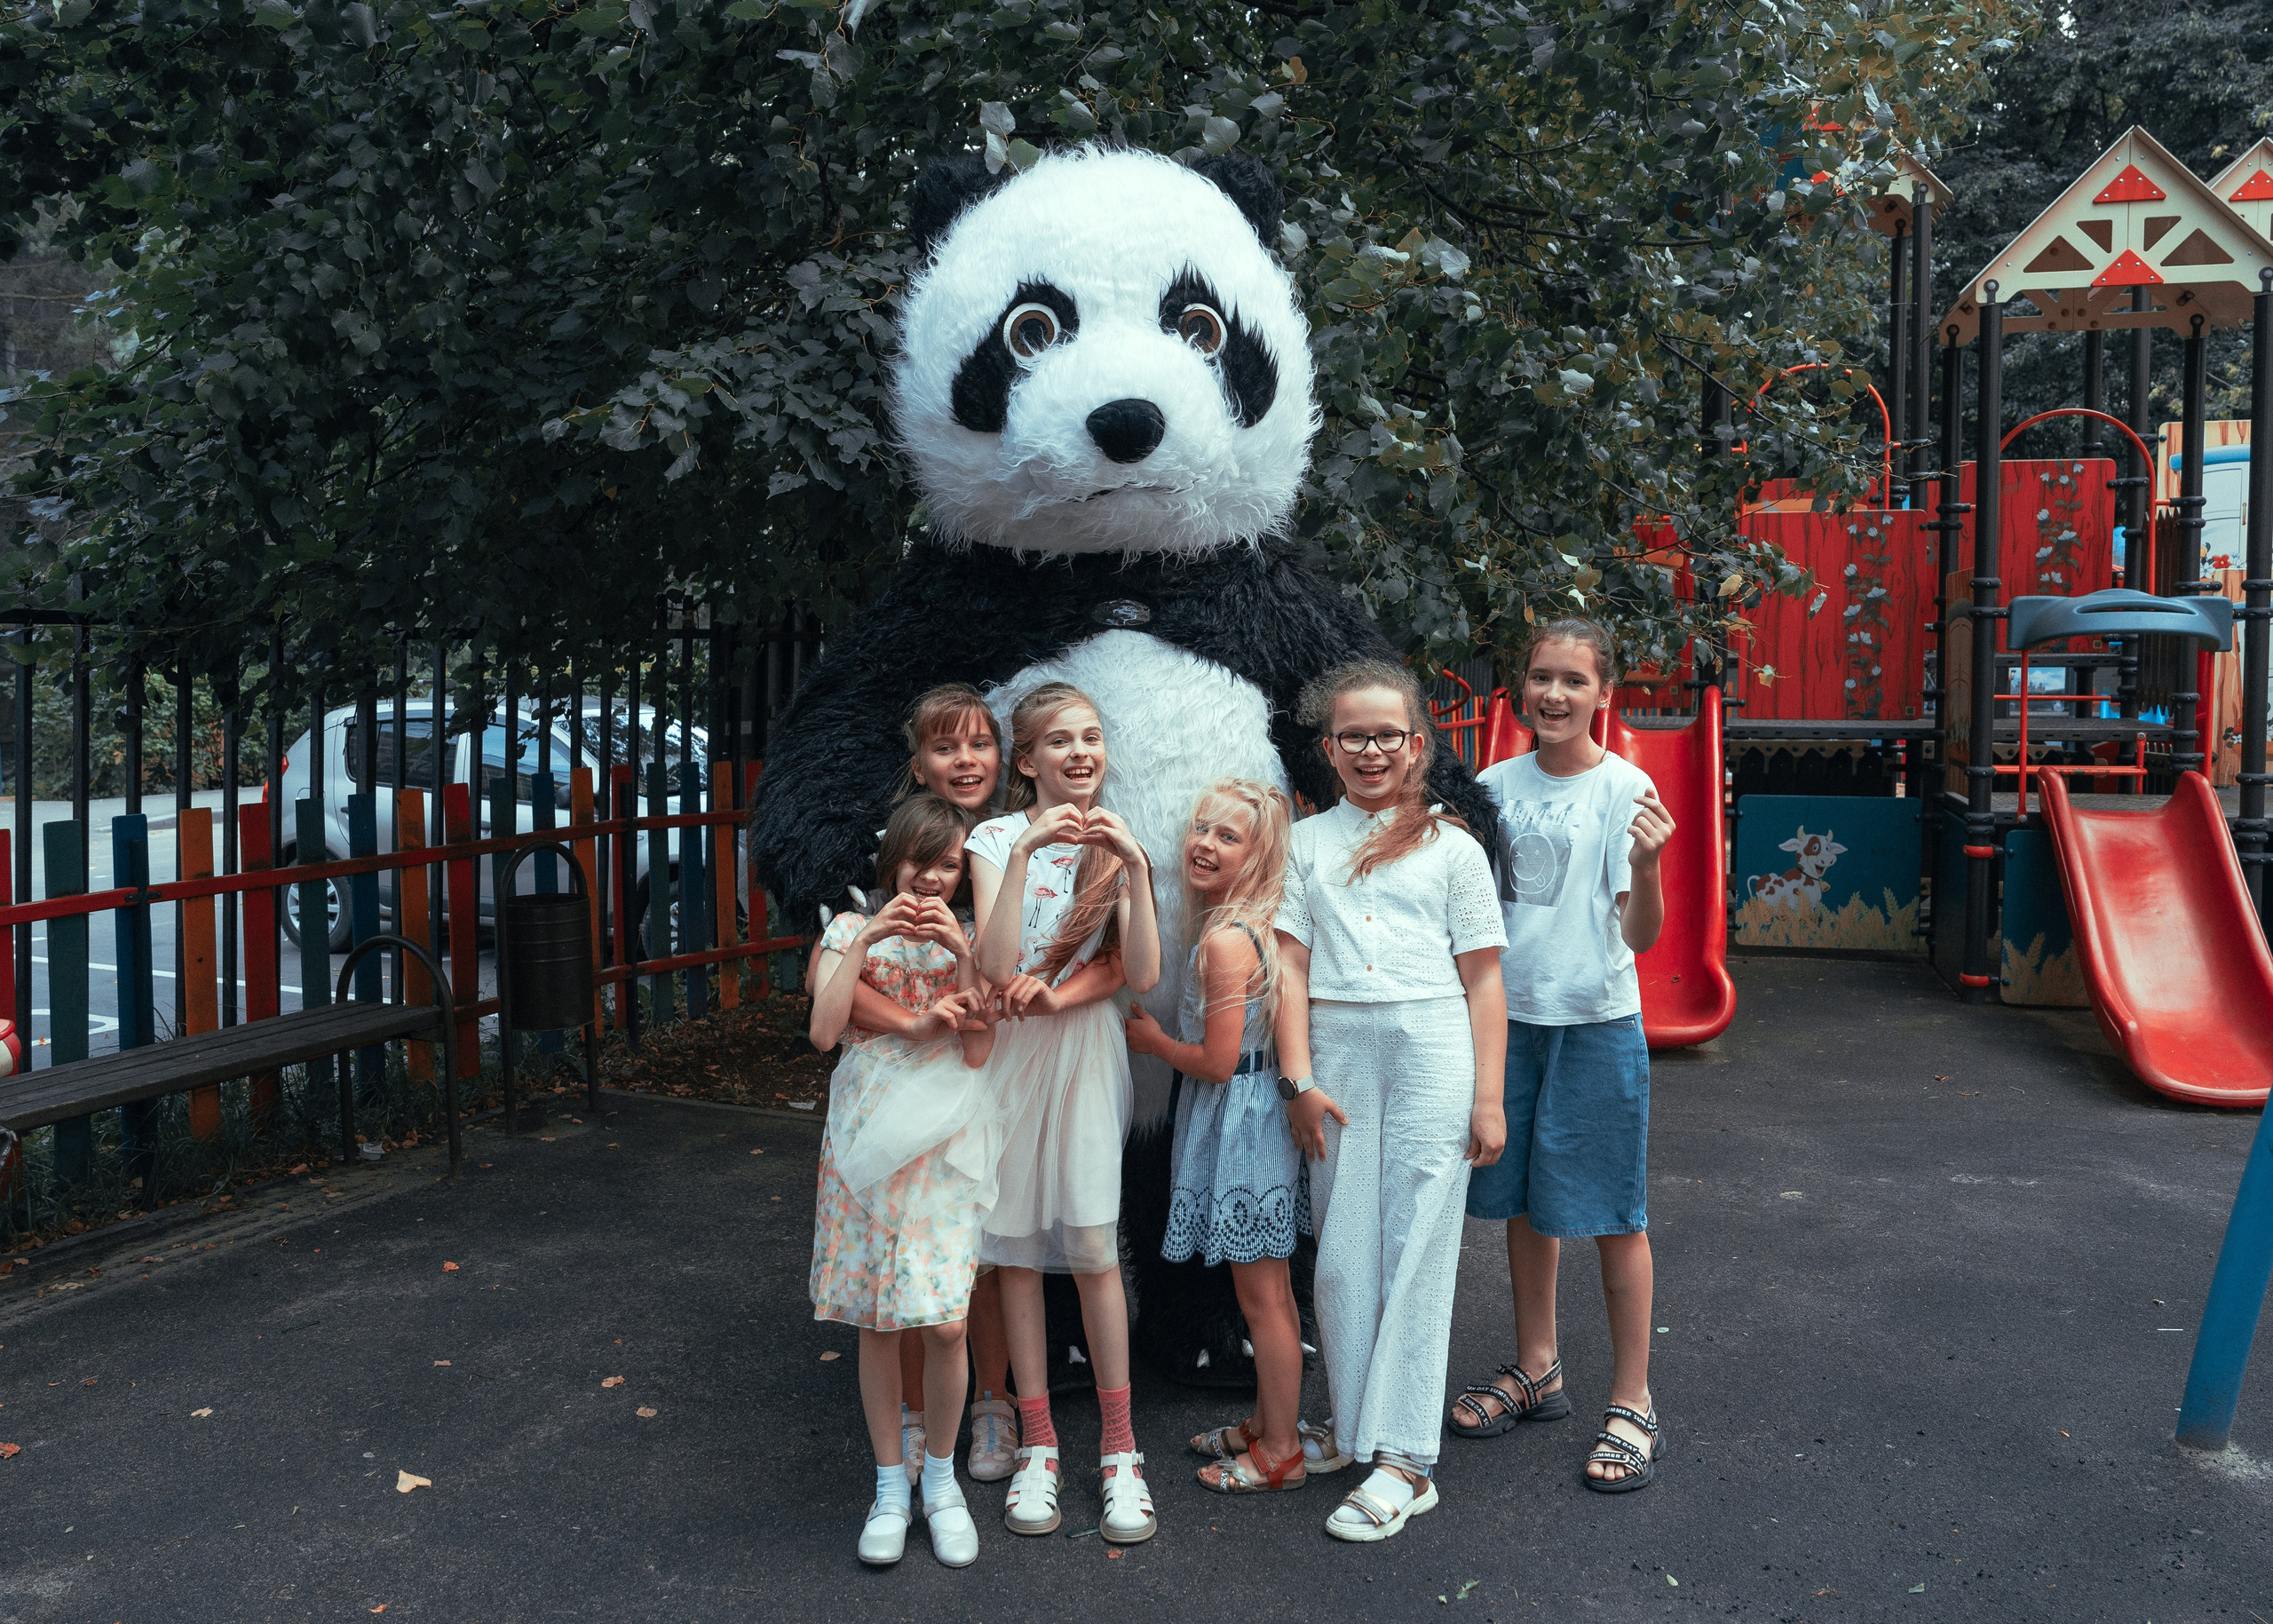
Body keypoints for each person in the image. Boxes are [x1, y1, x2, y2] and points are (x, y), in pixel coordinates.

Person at [1273, 659, 1509, 1542]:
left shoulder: (1452, 846)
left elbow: (1484, 980)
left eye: (1386, 734)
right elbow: (1288, 967)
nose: (1370, 750)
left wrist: (1488, 1098)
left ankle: (1406, 1459)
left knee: (1416, 1247)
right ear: (1327, 747)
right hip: (1336, 1052)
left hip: (1431, 1050)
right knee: (1339, 1252)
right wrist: (1297, 1078)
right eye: (1351, 735)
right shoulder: (1304, 843)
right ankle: (1350, 1423)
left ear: (1416, 744)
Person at [1450, 617, 1675, 1493]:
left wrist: (1650, 869)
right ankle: (1537, 1364)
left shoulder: (1625, 790)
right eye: (1540, 676)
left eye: (1572, 680)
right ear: (1520, 684)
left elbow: (1640, 936)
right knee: (1521, 1202)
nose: (1553, 694)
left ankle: (1633, 1398)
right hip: (1508, 1020)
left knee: (1615, 1211)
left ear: (1602, 693)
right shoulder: (1490, 788)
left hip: (1595, 1021)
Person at [966, 682, 1163, 1544]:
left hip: (1085, 1056)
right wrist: (1019, 862)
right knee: (1011, 1247)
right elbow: (994, 960)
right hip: (1010, 1065)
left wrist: (1141, 870)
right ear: (1026, 759)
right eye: (1059, 740)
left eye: (1091, 737)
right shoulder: (994, 836)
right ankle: (1038, 1439)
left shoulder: (1118, 840)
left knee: (1090, 1244)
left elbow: (1143, 972)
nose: (1080, 752)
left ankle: (1119, 1450)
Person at [836, 684, 1023, 1486]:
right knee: (916, 1245)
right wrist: (910, 1023)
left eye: (980, 744)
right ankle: (912, 1411)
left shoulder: (1018, 832)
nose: (966, 760)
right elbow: (842, 965)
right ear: (918, 763)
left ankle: (993, 1398)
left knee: (990, 1249)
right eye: (946, 747)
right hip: (923, 1041)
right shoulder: (903, 846)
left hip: (1002, 1038)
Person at [807, 795, 999, 1568]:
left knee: (947, 1318)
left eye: (948, 864)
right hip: (864, 1135)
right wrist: (870, 937)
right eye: (920, 860)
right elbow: (824, 1031)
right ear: (892, 862)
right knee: (881, 1319)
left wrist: (960, 949)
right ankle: (891, 1484)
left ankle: (943, 1480)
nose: (931, 878)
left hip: (945, 1138)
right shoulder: (849, 929)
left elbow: (982, 1050)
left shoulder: (975, 936)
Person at [1126, 778, 1327, 1494]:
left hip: (1241, 1122)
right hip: (1248, 1118)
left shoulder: (1223, 943)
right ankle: (1266, 1421)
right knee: (1263, 1291)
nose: (1204, 844)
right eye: (1200, 829)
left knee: (1264, 1298)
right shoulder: (1254, 927)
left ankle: (1281, 1449)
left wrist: (1153, 1043)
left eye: (1228, 836)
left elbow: (1214, 1060)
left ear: (1261, 854)